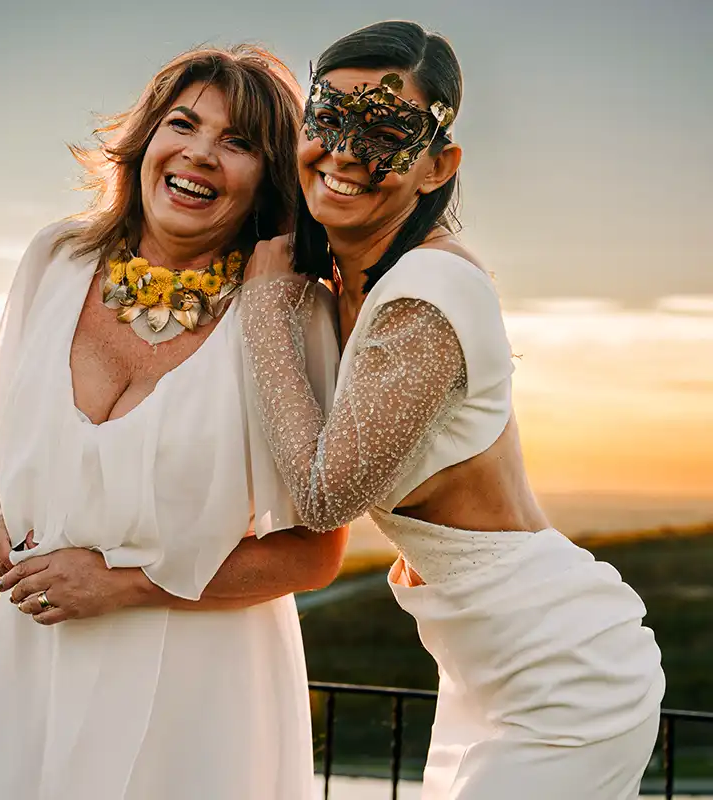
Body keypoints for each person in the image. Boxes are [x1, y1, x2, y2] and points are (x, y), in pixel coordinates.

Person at [240, 21, 664, 799]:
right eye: (327, 118)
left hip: (565, 678)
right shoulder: (350, 288)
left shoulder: (428, 300)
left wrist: (265, 309)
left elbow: (324, 495)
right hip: (484, 672)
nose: (343, 151)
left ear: (438, 166)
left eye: (387, 131)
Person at [0, 45, 345, 800]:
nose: (200, 155)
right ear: (145, 139)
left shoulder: (291, 316)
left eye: (239, 142)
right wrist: (1, 520)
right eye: (183, 124)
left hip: (198, 689)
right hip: (34, 667)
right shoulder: (55, 259)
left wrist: (125, 584)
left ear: (270, 177)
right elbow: (0, 434)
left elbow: (315, 556)